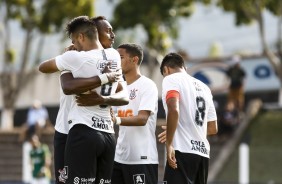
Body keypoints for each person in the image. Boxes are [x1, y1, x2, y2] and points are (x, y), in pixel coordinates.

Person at [39, 16, 129, 184]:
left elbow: (50, 72)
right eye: (108, 31)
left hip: (80, 129)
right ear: (95, 33)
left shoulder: (75, 58)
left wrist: (102, 98)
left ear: (81, 36)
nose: (112, 35)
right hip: (92, 132)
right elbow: (124, 95)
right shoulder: (114, 57)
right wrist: (104, 79)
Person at [77, 43, 159, 184]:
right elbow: (107, 111)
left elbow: (142, 119)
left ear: (134, 60)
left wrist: (116, 120)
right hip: (119, 158)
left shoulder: (148, 85)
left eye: (120, 57)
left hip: (142, 158)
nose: (116, 62)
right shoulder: (120, 87)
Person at [159, 52, 218, 184]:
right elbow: (213, 128)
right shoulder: (205, 88)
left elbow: (174, 109)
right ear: (184, 68)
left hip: (182, 151)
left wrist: (169, 143)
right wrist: (176, 129)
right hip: (202, 155)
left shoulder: (170, 79)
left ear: (166, 70)